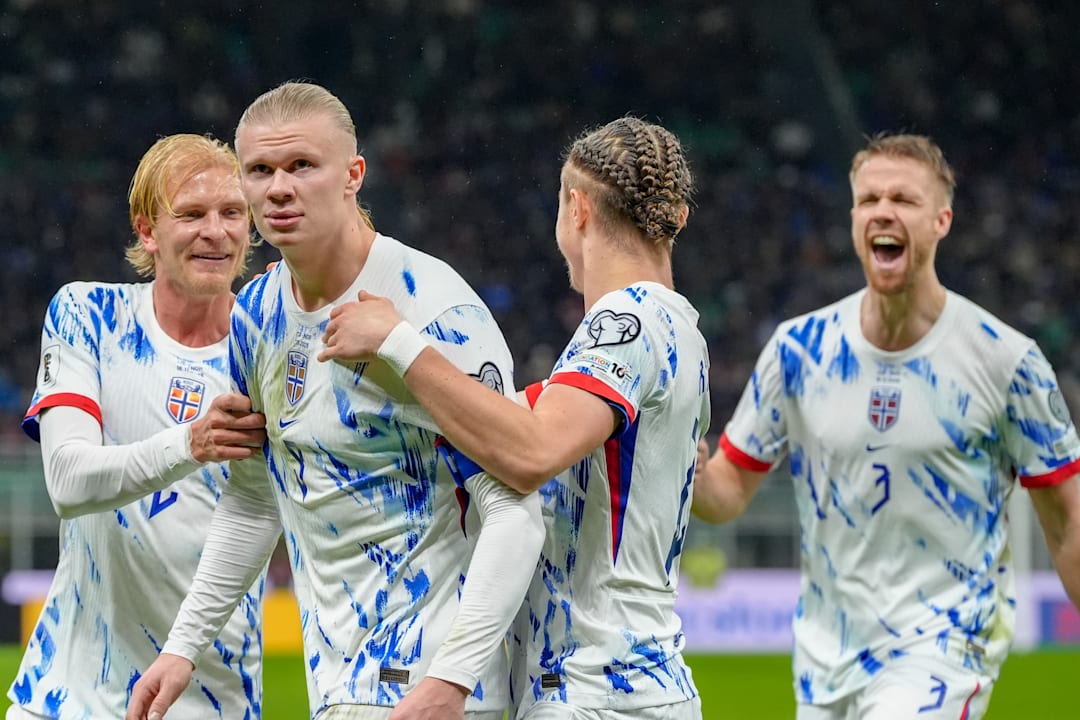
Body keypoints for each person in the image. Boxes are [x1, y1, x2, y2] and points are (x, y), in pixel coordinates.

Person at [126, 81, 545, 720]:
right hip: (335, 689)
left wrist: (452, 681)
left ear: (353, 176)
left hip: (433, 694)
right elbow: (253, 499)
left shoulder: (431, 306)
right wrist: (182, 647)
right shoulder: (256, 314)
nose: (279, 188)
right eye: (260, 171)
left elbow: (515, 510)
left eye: (302, 165)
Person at [313, 116, 709, 719]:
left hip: (597, 688)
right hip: (638, 683)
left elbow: (530, 451)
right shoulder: (681, 330)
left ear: (577, 209)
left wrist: (399, 341)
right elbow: (501, 421)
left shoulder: (624, 324)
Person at [693, 132, 1080, 719]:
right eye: (869, 199)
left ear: (941, 221)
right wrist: (688, 468)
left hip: (944, 649)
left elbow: (1067, 522)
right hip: (825, 663)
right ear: (853, 219)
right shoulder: (799, 350)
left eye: (903, 199)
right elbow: (727, 492)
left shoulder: (1006, 361)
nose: (883, 211)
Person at [7, 134, 269, 720]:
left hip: (212, 699)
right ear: (148, 230)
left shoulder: (268, 347)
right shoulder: (89, 316)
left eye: (232, 213)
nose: (216, 232)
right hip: (66, 697)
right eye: (192, 214)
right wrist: (191, 443)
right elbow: (68, 482)